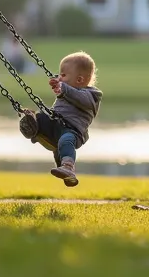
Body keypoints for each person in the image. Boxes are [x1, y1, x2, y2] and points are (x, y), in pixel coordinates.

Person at [18, 52, 102, 187]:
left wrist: (63, 88)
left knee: (65, 141)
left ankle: (68, 167)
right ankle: (34, 126)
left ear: (79, 80)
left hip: (72, 131)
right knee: (42, 117)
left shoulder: (91, 96)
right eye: (59, 74)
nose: (59, 78)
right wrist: (61, 87)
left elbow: (80, 98)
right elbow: (67, 96)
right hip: (56, 124)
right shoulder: (67, 91)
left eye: (63, 75)